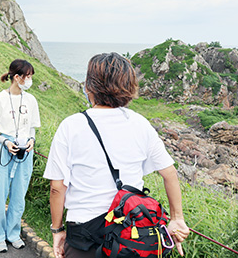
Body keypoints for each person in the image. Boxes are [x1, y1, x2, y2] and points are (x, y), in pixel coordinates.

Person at [43, 53, 189, 258]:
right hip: (130, 237)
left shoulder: (71, 126)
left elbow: (57, 188)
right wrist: (177, 218)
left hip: (84, 237)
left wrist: (57, 231)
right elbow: (170, 173)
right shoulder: (140, 124)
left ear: (89, 87)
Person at [0, 59, 40, 252]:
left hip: (25, 152)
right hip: (5, 149)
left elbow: (32, 128)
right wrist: (6, 142)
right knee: (0, 195)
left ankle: (13, 233)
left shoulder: (31, 100)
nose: (30, 80)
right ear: (17, 77)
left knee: (19, 195)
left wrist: (31, 141)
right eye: (28, 76)